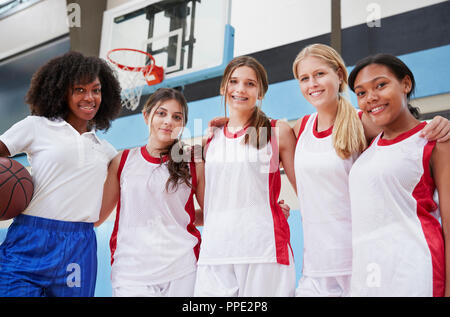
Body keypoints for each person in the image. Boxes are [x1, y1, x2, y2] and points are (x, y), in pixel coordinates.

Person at [291, 43, 450, 297]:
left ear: (339, 75)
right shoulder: (300, 128)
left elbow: (409, 133)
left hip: (369, 262)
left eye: (320, 74)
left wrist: (439, 123)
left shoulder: (364, 122)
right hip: (325, 264)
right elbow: (257, 138)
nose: (313, 83)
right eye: (304, 78)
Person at [0, 51, 122, 297]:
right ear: (61, 92)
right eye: (80, 90)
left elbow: (102, 210)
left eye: (96, 90)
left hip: (79, 245)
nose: (89, 97)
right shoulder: (36, 126)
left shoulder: (108, 152)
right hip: (29, 239)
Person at [194, 56, 298, 297]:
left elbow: (305, 189)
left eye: (250, 84)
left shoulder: (277, 131)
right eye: (234, 81)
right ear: (223, 87)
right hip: (215, 253)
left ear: (260, 92)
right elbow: (209, 204)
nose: (240, 89)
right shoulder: (210, 140)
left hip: (264, 251)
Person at [347, 54, 450, 296]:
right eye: (361, 93)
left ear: (406, 84)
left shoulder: (434, 140)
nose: (371, 98)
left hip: (415, 274)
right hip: (367, 277)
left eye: (380, 85)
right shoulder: (368, 147)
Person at [96, 88, 204, 297]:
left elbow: (213, 212)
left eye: (176, 117)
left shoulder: (193, 160)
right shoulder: (123, 161)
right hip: (131, 272)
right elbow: (97, 217)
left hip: (183, 267)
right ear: (146, 116)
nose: (168, 121)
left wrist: (270, 207)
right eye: (161, 113)